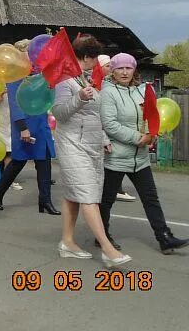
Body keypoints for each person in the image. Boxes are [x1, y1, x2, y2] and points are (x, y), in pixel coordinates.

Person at [52, 36, 131, 267]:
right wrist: (79, 97)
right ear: (86, 57)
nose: (96, 63)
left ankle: (67, 241)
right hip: (72, 144)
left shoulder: (85, 77)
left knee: (73, 195)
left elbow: (94, 114)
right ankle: (107, 248)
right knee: (87, 195)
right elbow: (59, 113)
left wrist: (104, 138)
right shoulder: (64, 81)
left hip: (91, 144)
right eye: (94, 58)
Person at [100, 53, 188, 255]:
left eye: (128, 68)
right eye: (119, 68)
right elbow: (110, 124)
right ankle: (102, 236)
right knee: (107, 200)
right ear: (112, 71)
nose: (124, 72)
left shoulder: (142, 91)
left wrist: (152, 133)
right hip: (116, 156)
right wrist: (138, 137)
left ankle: (164, 237)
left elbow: (150, 115)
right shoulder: (108, 93)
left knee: (151, 198)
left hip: (140, 158)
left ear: (134, 70)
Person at [0, 40, 59, 215]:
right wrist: (22, 128)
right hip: (24, 124)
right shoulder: (15, 73)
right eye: (30, 51)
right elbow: (15, 103)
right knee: (18, 162)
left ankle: (45, 200)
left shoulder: (40, 72)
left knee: (44, 161)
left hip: (40, 123)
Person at [97, 54, 137, 203]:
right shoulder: (103, 89)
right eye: (107, 66)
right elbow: (105, 121)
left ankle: (115, 191)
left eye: (128, 68)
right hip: (110, 141)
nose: (124, 72)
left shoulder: (133, 89)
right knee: (109, 179)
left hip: (128, 146)